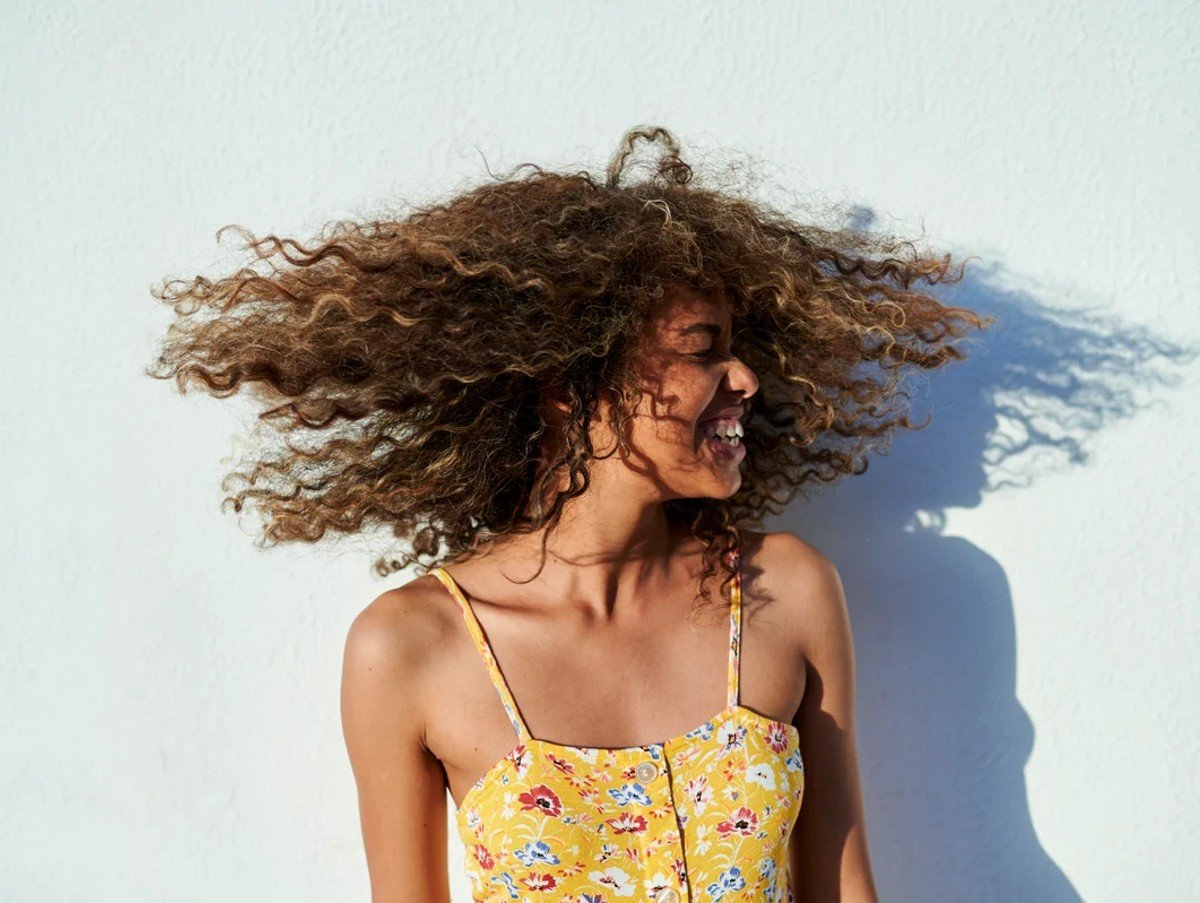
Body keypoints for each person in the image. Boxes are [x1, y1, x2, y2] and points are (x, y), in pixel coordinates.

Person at [147, 125, 990, 901]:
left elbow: (845, 892)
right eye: (703, 349)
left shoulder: (784, 592)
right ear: (569, 386)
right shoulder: (410, 647)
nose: (744, 380)